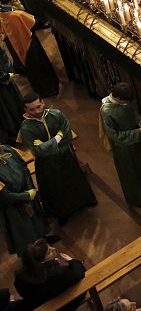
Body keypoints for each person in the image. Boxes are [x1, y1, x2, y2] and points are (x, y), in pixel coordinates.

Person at [19, 94, 96, 225]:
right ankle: (62, 214)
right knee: (56, 188)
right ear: (26, 110)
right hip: (47, 162)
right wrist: (57, 138)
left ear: (43, 102)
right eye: (32, 109)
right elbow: (38, 151)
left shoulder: (56, 114)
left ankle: (84, 201)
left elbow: (67, 134)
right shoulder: (26, 128)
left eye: (38, 106)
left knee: (74, 179)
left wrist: (48, 144)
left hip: (65, 155)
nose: (37, 111)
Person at [99, 82, 141, 208]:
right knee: (131, 173)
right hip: (124, 148)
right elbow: (115, 136)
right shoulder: (106, 111)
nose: (126, 104)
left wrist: (140, 122)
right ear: (117, 98)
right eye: (124, 102)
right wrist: (137, 132)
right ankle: (138, 198)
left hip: (139, 140)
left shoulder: (124, 101)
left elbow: (133, 113)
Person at [14, 239, 86, 311]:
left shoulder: (20, 275)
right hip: (61, 308)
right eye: (49, 252)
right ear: (42, 261)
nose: (54, 249)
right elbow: (79, 273)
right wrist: (72, 261)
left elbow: (23, 294)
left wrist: (52, 264)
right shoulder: (57, 273)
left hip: (36, 307)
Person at [0, 143, 48, 256]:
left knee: (36, 219)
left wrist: (29, 187)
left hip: (26, 191)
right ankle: (33, 255)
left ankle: (43, 241)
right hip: (12, 205)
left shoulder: (7, 148)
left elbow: (24, 167)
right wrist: (25, 196)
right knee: (24, 231)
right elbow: (5, 195)